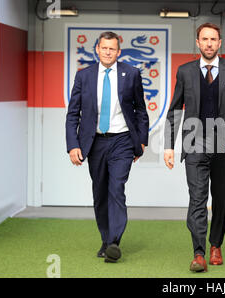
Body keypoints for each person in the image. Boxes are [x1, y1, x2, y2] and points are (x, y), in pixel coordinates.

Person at [163, 23, 225, 272]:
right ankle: (198, 253)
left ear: (219, 43)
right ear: (197, 42)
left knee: (221, 198)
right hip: (193, 143)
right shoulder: (184, 72)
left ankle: (216, 244)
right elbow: (175, 110)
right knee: (197, 199)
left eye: (213, 39)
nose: (208, 43)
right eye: (204, 39)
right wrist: (168, 146)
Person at [65, 31, 149, 263]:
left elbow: (141, 110)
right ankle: (106, 238)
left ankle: (114, 242)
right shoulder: (84, 76)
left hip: (122, 140)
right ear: (97, 49)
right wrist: (73, 145)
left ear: (118, 52)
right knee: (100, 192)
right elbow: (73, 113)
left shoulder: (131, 74)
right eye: (104, 48)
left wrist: (141, 141)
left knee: (116, 188)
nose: (108, 52)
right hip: (95, 142)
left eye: (112, 48)